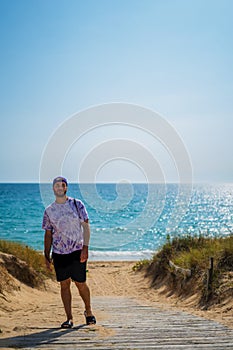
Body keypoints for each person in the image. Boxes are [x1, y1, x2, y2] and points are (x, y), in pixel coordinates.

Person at [42, 176, 96, 328]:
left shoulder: (76, 204)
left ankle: (89, 311)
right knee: (64, 285)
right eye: (56, 185)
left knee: (81, 283)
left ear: (66, 188)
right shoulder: (49, 210)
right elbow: (48, 234)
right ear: (53, 189)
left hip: (77, 250)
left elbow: (86, 227)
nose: (59, 188)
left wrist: (85, 248)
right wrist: (47, 254)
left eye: (62, 185)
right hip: (59, 253)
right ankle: (69, 318)